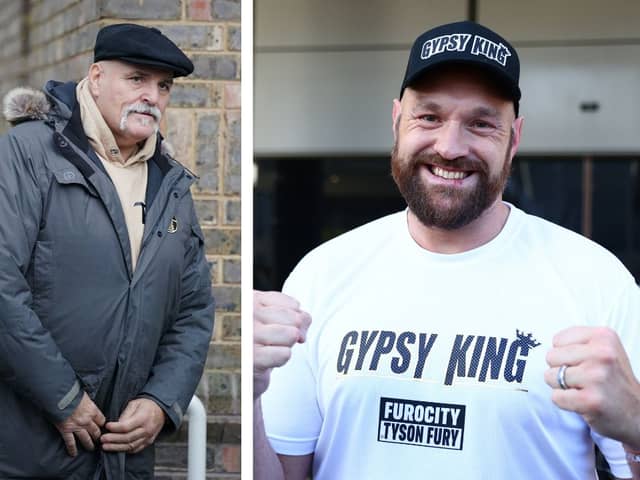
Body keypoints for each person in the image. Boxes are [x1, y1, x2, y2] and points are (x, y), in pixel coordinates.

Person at [254, 21, 640, 479]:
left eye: (480, 123)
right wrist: (253, 393)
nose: (450, 147)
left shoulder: (595, 280)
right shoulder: (322, 273)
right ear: (397, 121)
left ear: (513, 140)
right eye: (429, 117)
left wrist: (635, 421)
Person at [0, 24, 215, 479]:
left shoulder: (171, 184)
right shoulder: (28, 153)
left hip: (125, 459)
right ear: (95, 78)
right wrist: (63, 398)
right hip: (29, 450)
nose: (152, 97)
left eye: (164, 86)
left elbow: (193, 309)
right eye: (136, 79)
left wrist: (162, 401)